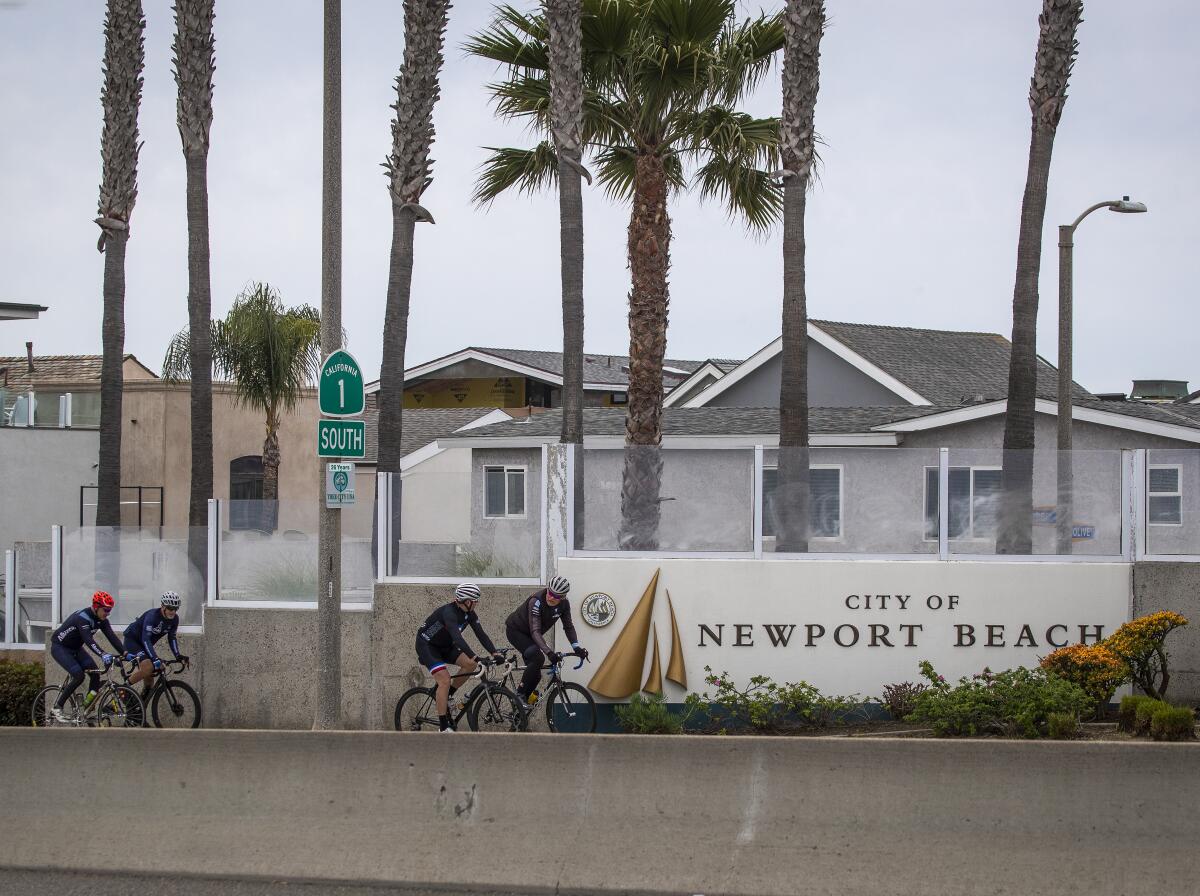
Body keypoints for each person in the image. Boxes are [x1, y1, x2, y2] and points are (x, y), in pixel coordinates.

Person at [414, 583, 503, 732]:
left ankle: (448, 695)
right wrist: (475, 656)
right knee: (445, 680)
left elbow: (481, 634)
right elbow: (458, 638)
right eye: (475, 601)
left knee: (470, 665)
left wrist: (495, 652)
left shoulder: (470, 614)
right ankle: (443, 727)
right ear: (467, 601)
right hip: (428, 646)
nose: (476, 603)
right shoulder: (449, 613)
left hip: (446, 645)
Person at [505, 574, 587, 706]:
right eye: (549, 592)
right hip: (516, 631)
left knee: (536, 675)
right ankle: (519, 695)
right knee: (538, 658)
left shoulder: (564, 605)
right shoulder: (536, 601)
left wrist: (576, 647)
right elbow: (535, 631)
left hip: (532, 635)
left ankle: (520, 707)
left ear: (563, 597)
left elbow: (568, 626)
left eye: (555, 596)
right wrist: (549, 653)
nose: (550, 597)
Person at [48, 590, 125, 723]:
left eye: (110, 610)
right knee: (79, 675)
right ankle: (57, 707)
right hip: (60, 648)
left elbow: (112, 637)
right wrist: (103, 654)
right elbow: (89, 640)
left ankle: (86, 706)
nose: (108, 613)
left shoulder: (102, 620)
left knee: (95, 674)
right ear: (96, 607)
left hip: (76, 648)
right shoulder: (82, 618)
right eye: (106, 610)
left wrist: (126, 653)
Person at [123, 591, 189, 702]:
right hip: (133, 641)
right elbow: (146, 639)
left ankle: (139, 709)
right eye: (170, 608)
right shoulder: (152, 616)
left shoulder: (175, 619)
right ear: (163, 606)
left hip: (145, 644)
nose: (172, 611)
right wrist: (155, 658)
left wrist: (178, 655)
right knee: (148, 667)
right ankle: (123, 689)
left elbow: (172, 637)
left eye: (175, 608)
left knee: (150, 680)